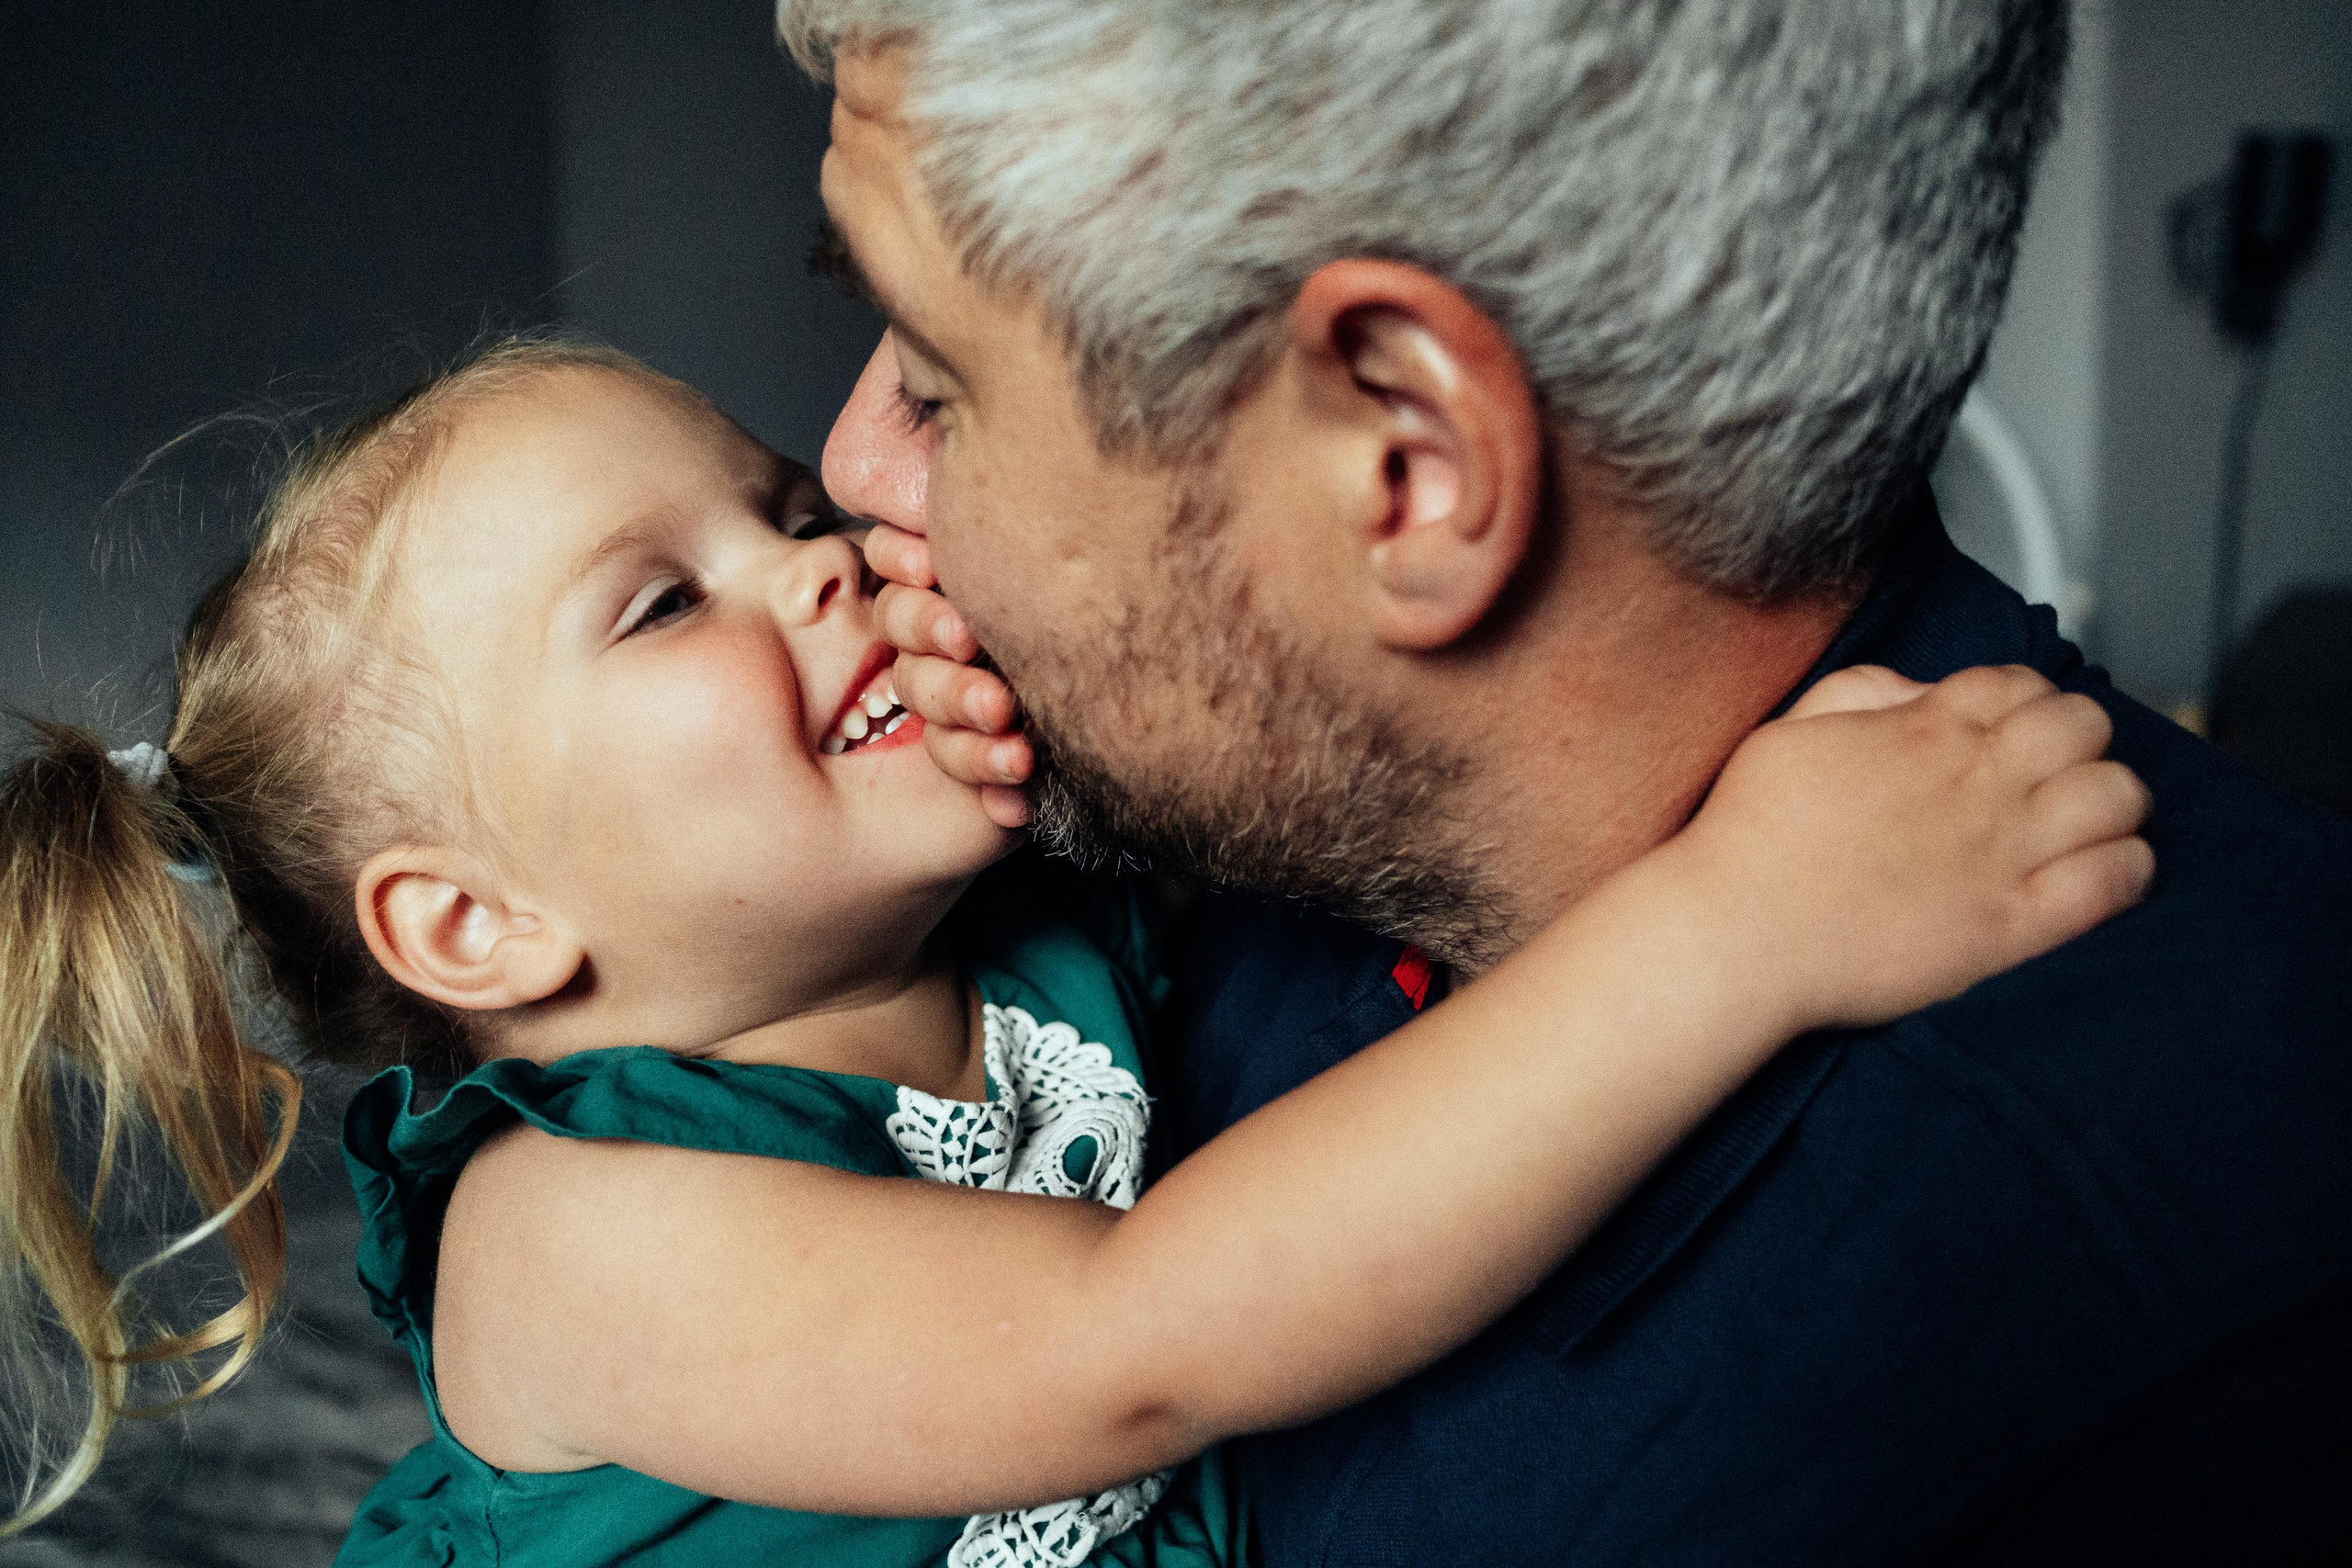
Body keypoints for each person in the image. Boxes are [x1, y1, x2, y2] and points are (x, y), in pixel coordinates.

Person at [0, 338, 2144, 1564]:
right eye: (667, 603)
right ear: (480, 926)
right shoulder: (575, 1231)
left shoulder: (1032, 922)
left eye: (775, 509)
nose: (826, 560)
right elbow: (1135, 1337)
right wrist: (1743, 921)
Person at [786, 0, 2352, 1560]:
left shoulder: (2143, 1335)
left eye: (937, 380)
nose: (852, 467)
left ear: (1412, 468)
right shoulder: (1245, 872)